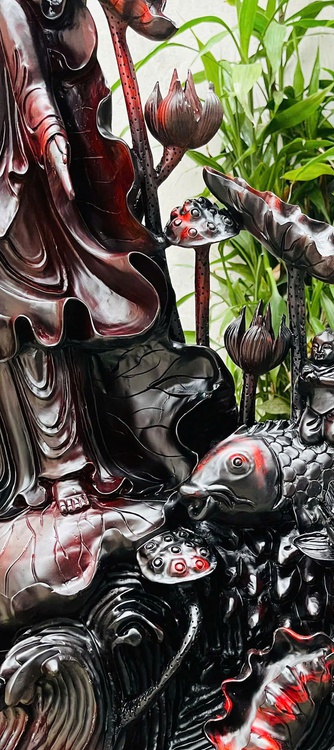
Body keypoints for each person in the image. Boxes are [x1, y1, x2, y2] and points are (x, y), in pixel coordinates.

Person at [0, 0, 166, 516]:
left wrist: (52, 136)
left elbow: (31, 80)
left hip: (13, 192)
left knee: (39, 323)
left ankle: (66, 462)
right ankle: (18, 470)